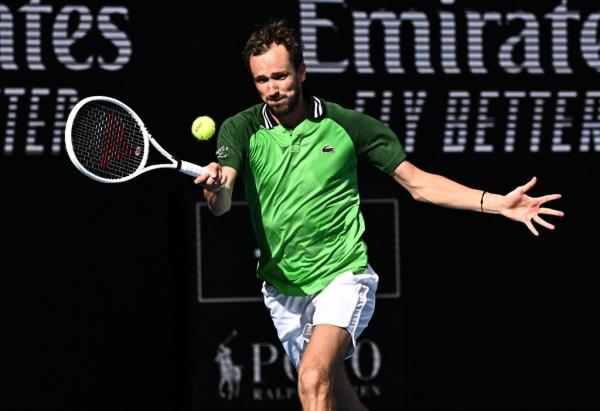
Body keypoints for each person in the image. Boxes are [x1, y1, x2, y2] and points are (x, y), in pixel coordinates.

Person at [194, 18, 564, 411]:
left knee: (312, 379)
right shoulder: (241, 129)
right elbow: (220, 204)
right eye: (261, 80)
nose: (272, 89)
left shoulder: (348, 126)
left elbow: (420, 184)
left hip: (342, 274)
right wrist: (215, 187)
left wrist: (497, 202)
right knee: (339, 395)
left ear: (301, 72)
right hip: (284, 288)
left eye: (281, 76)